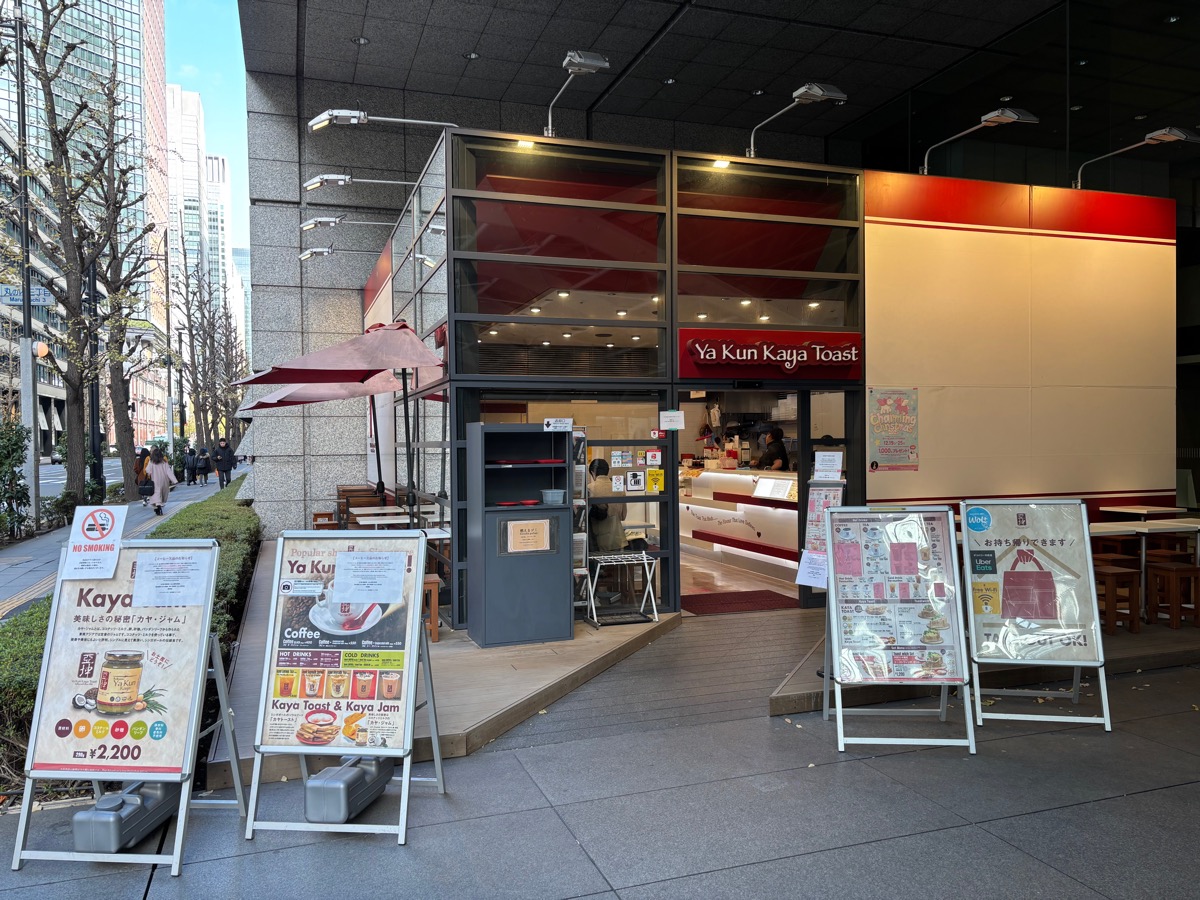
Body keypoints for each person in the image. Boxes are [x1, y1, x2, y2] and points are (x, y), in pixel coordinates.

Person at [586, 459, 627, 552]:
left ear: (592, 472)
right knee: (616, 565)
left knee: (600, 565)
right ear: (608, 471)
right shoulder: (619, 488)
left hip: (598, 539)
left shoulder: (590, 488)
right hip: (617, 537)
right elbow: (623, 516)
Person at [144, 446, 177, 516]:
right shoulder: (164, 462)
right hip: (164, 481)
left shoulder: (151, 462)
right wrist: (174, 480)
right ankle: (159, 506)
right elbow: (169, 472)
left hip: (154, 481)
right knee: (161, 494)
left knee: (155, 495)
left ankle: (157, 507)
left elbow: (148, 471)